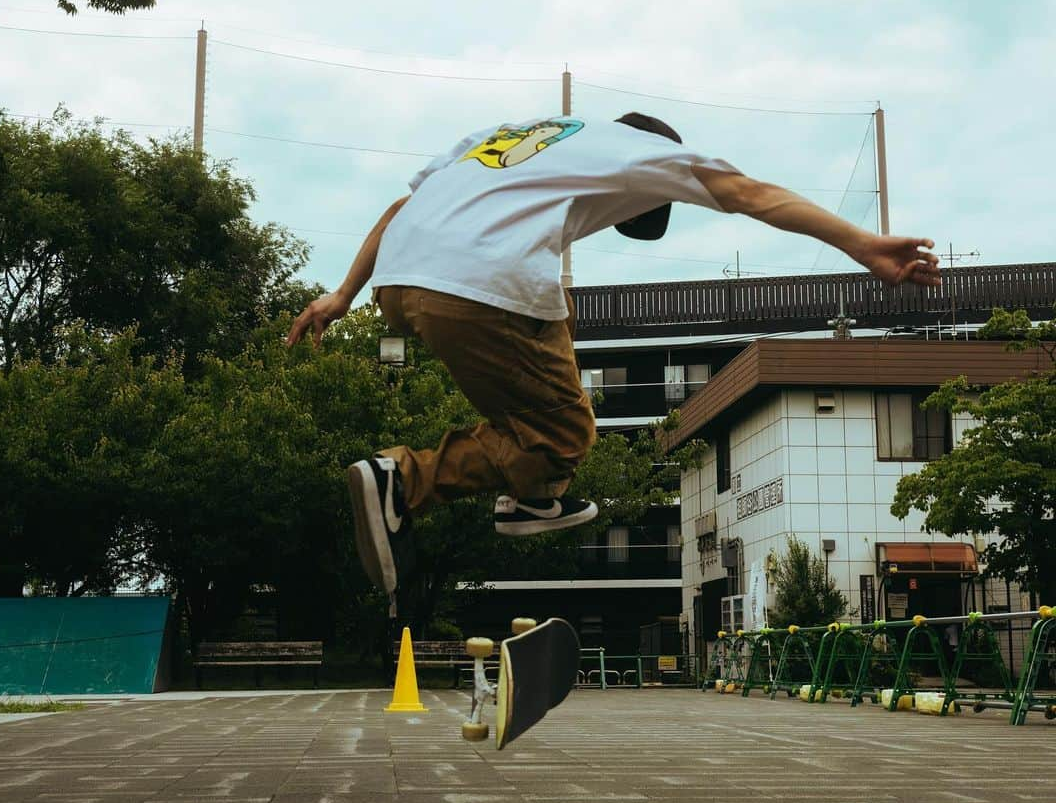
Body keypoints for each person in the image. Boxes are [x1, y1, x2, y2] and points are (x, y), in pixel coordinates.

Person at [287, 112, 940, 595]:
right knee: (569, 431)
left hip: (404, 282)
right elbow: (750, 195)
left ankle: (526, 497)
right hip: (483, 280)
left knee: (540, 398)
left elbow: (404, 204)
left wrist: (346, 292)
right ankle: (407, 479)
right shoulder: (643, 153)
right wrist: (861, 245)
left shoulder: (517, 134)